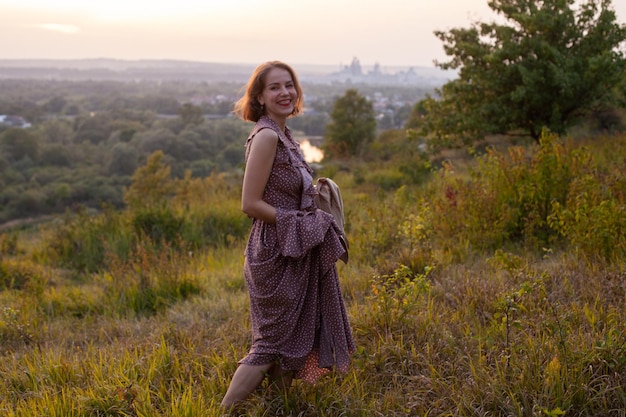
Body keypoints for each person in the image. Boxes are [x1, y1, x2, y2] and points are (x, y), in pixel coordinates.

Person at [220, 61, 355, 409]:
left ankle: (277, 408)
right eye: (275, 88)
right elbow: (250, 204)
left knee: (294, 337)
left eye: (289, 85)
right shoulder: (266, 137)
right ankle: (222, 411)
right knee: (268, 345)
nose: (285, 93)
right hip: (275, 252)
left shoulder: (284, 134)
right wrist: (300, 220)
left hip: (295, 249)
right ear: (260, 97)